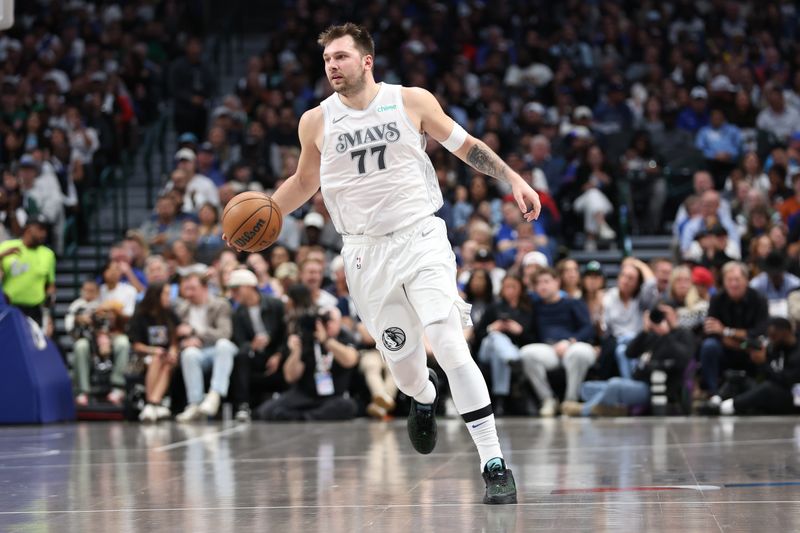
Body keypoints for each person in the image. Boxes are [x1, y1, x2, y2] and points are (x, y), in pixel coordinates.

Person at [224, 23, 540, 504]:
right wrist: (261, 220)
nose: (332, 65)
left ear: (366, 60)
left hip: (421, 237)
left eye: (341, 57)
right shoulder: (316, 121)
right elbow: (304, 182)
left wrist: (513, 178)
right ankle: (423, 395)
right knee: (407, 370)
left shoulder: (409, 100)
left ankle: (494, 463)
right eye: (327, 58)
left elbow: (467, 146)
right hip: (365, 253)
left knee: (451, 345)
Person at [519, 268, 595, 417]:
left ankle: (570, 401)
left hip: (573, 346)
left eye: (546, 281)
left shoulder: (573, 303)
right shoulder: (535, 306)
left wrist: (569, 341)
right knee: (526, 353)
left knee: (580, 352)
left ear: (557, 282)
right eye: (538, 283)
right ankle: (548, 399)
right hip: (549, 349)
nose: (542, 286)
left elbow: (588, 328)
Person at [174, 273, 238, 422]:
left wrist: (196, 333)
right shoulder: (182, 309)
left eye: (193, 289)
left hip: (220, 350)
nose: (189, 293)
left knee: (224, 345)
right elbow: (177, 337)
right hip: (200, 353)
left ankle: (214, 395)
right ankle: (194, 403)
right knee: (189, 353)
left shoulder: (220, 304)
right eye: (186, 289)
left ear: (204, 288)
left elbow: (224, 333)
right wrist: (184, 342)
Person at [229, 269, 288, 422]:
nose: (233, 294)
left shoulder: (275, 305)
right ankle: (242, 405)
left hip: (278, 352)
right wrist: (252, 346)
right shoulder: (238, 313)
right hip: (255, 356)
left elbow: (286, 334)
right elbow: (240, 342)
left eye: (237, 289)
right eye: (231, 290)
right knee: (241, 356)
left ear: (249, 286)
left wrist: (278, 354)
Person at [127, 283, 180, 423]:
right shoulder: (140, 315)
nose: (169, 298)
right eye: (166, 294)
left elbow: (175, 339)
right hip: (145, 356)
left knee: (167, 363)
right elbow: (136, 344)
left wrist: (173, 351)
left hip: (167, 357)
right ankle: (154, 402)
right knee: (156, 358)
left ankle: (151, 403)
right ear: (156, 296)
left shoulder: (169, 314)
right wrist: (154, 350)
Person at [0, 216, 55, 327]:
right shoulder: (6, 246)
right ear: (28, 229)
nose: (44, 234)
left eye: (45, 230)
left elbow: (50, 284)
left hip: (34, 310)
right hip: (8, 307)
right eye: (40, 229)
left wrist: (48, 313)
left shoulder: (48, 254)